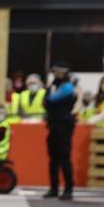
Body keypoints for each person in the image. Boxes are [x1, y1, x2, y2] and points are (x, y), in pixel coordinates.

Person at [43, 67, 77, 200]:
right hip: (53, 126)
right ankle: (54, 188)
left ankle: (68, 189)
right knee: (53, 159)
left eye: (61, 72)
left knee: (64, 158)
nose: (58, 74)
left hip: (64, 126)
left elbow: (52, 102)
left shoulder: (69, 88)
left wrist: (51, 100)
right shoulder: (53, 87)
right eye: (56, 72)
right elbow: (46, 103)